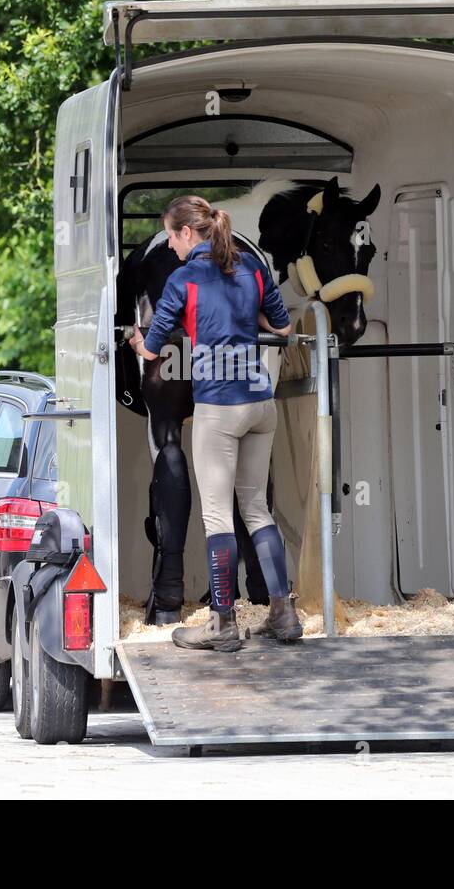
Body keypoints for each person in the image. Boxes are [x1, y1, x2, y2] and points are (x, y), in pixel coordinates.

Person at [129, 195, 302, 651]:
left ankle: (222, 622)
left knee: (216, 516)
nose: (170, 246)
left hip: (218, 408)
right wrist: (245, 318)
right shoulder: (252, 269)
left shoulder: (184, 278)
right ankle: (283, 614)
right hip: (261, 405)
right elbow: (282, 329)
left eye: (171, 235)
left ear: (188, 232)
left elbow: (153, 348)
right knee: (256, 508)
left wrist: (134, 340)